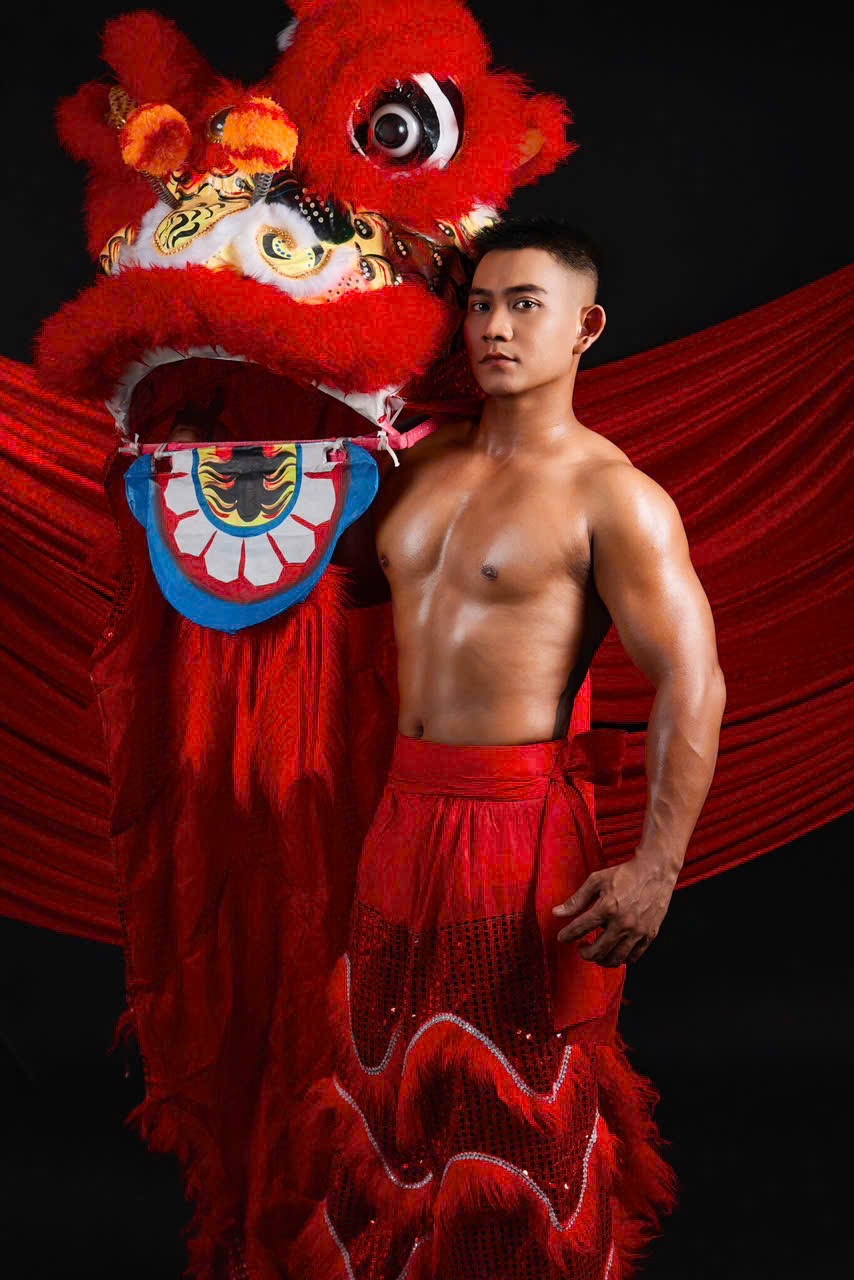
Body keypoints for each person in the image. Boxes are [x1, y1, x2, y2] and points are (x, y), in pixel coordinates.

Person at [290, 215, 727, 1278]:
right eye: (480, 304)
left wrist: (657, 866)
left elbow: (693, 679)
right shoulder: (416, 466)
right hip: (401, 814)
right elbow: (312, 583)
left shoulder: (611, 495)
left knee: (517, 1120)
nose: (494, 327)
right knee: (391, 1098)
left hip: (515, 826)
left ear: (585, 327)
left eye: (525, 305)